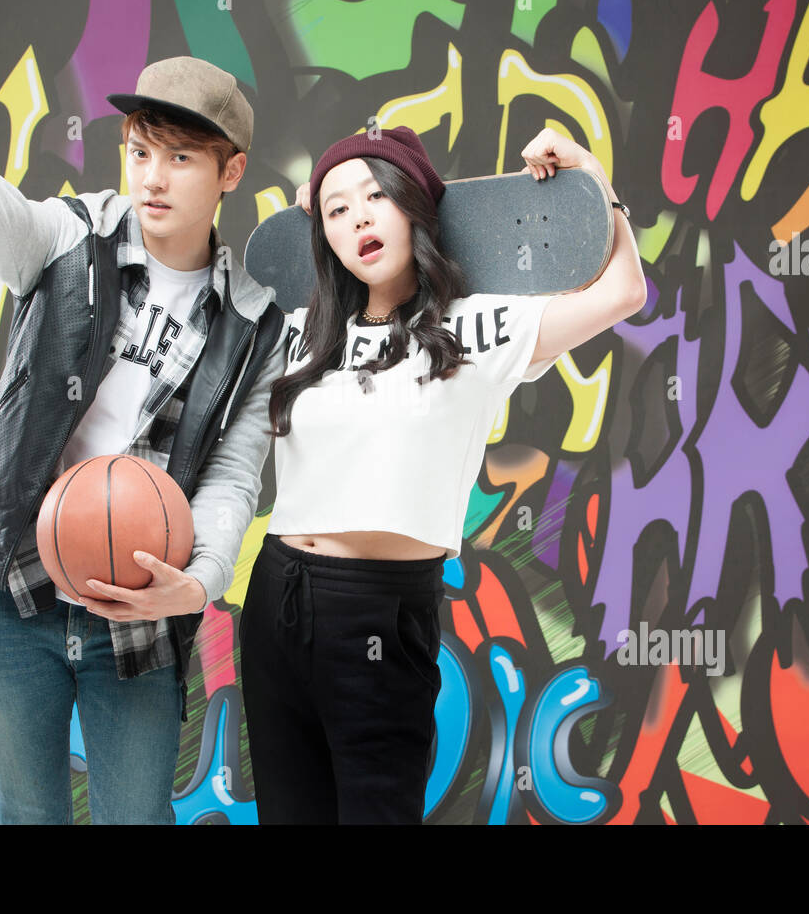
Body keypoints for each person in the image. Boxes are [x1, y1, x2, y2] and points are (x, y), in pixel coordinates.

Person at [0, 52, 285, 823]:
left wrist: (197, 582)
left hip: (137, 619)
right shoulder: (71, 239)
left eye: (180, 158)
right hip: (10, 596)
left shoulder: (254, 322)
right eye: (141, 151)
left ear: (230, 171)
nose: (153, 179)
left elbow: (234, 475)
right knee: (29, 818)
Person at [239, 125, 648, 824]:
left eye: (376, 195)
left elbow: (624, 292)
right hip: (276, 600)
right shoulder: (301, 329)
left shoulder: (481, 326)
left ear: (415, 205)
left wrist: (591, 177)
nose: (359, 216)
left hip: (379, 608)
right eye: (337, 209)